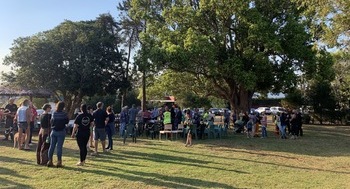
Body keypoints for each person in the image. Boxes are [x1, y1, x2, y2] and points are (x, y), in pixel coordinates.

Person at [48, 101, 69, 167]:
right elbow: (67, 121)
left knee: (51, 146)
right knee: (59, 147)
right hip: (61, 131)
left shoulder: (54, 113)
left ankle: (50, 161)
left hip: (54, 131)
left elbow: (51, 121)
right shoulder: (64, 114)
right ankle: (59, 162)